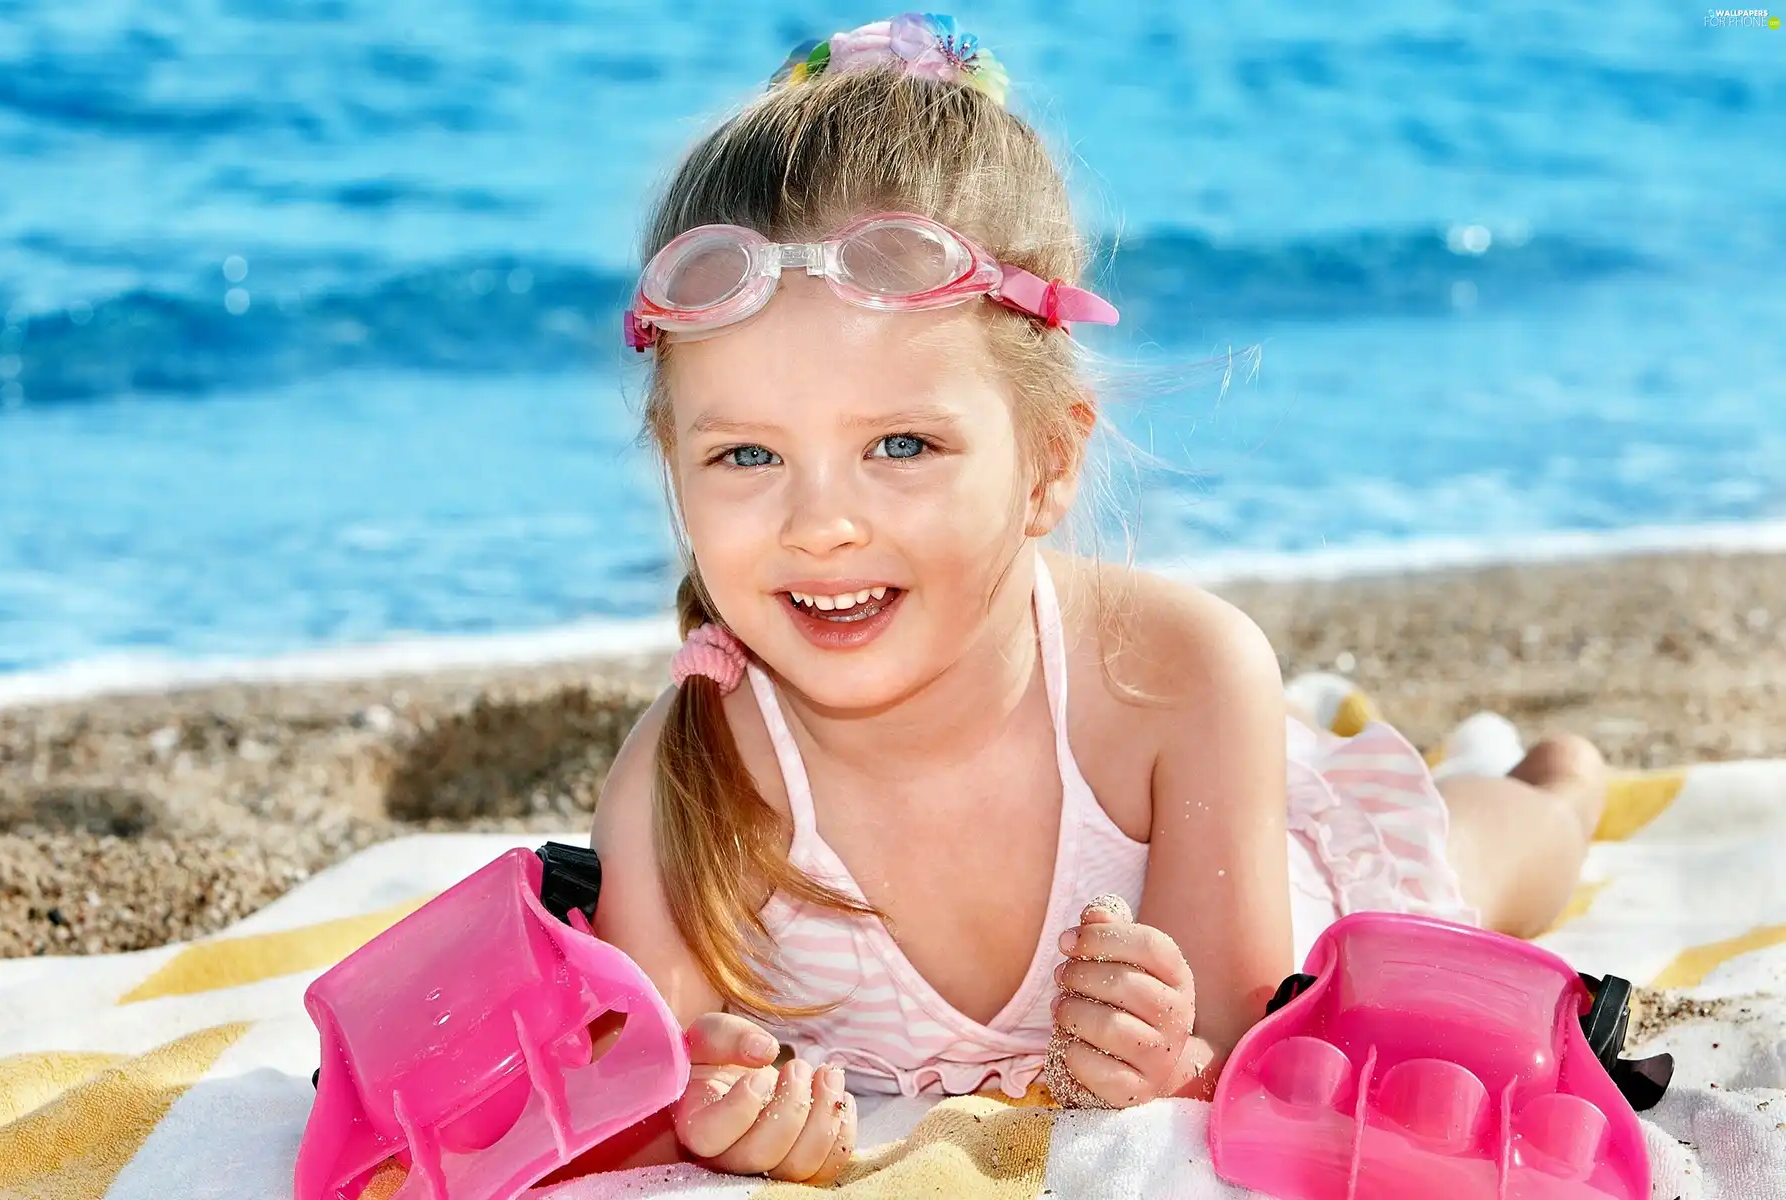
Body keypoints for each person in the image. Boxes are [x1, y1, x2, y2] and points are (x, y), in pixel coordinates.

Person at [585, 13, 1607, 1187]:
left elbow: (1242, 1047)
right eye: (748, 458)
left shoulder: (1181, 674)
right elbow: (652, 1092)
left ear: (1050, 463)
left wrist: (1170, 1056)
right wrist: (725, 1116)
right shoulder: (682, 778)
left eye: (902, 444)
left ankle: (1558, 782)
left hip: (1285, 884)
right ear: (675, 466)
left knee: (1475, 865)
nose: (821, 523)